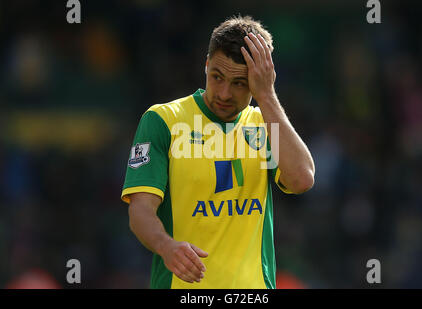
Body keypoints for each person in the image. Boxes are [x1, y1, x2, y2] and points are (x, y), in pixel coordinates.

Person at [121, 15, 315, 289]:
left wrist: (267, 96)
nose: (224, 93)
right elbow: (140, 210)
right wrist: (166, 246)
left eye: (239, 83)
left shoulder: (265, 124)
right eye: (217, 77)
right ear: (206, 65)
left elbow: (302, 180)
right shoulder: (163, 120)